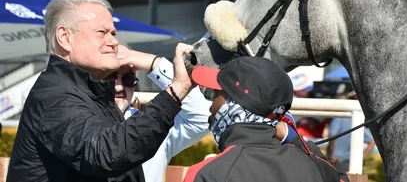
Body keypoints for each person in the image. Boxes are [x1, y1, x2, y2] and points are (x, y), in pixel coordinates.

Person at [6, 0, 195, 182]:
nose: (113, 42)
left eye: (113, 33)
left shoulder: (93, 91)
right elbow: (107, 153)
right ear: (64, 37)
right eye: (101, 33)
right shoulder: (54, 96)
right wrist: (175, 90)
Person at [183, 56, 348, 182]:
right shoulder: (314, 167)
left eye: (216, 95)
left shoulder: (207, 173)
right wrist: (293, 138)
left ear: (234, 104)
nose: (211, 105)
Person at [112, 44, 210, 181]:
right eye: (111, 76)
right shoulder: (78, 119)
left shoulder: (156, 122)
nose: (119, 87)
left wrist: (152, 62)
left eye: (128, 78)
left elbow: (203, 116)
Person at [326, 92, 376, 173]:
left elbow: (332, 136)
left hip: (335, 162)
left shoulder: (337, 119)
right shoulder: (355, 120)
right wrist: (360, 159)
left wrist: (330, 156)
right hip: (348, 163)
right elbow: (372, 141)